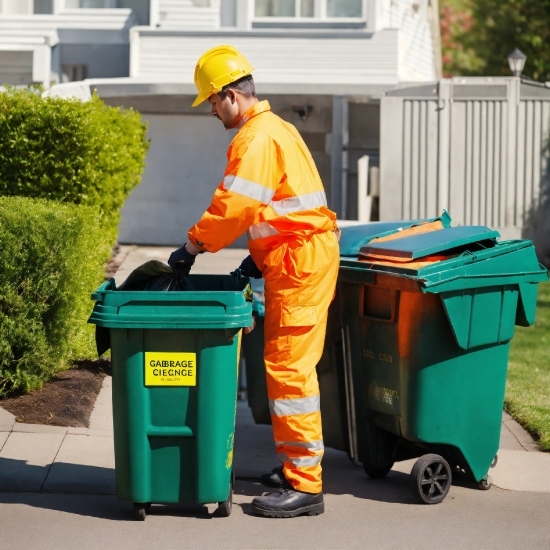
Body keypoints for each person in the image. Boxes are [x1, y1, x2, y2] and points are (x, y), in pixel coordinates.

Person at [169, 45, 339, 518]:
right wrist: (256, 262)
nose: (209, 110)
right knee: (288, 367)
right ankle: (294, 469)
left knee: (289, 370)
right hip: (295, 257)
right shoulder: (276, 128)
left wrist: (192, 247)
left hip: (299, 262)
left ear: (229, 95)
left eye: (210, 101)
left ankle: (306, 486)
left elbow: (236, 206)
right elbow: (279, 209)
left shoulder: (255, 138)